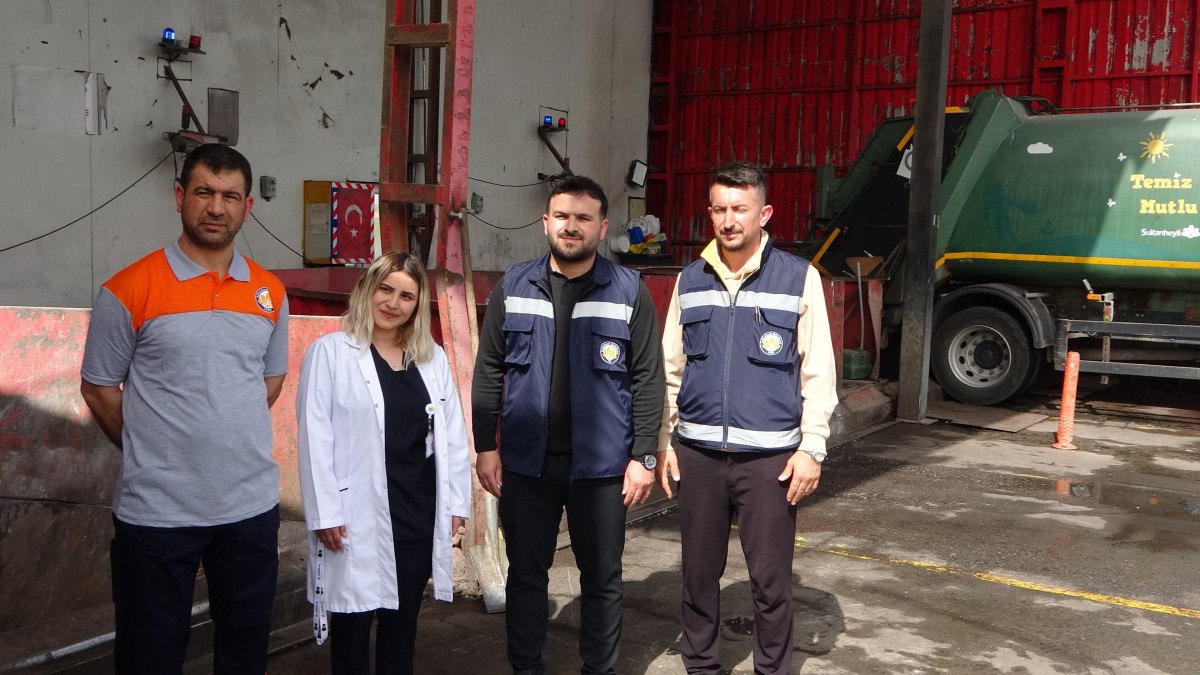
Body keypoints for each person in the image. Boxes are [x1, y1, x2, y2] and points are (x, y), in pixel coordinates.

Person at [79, 143, 288, 674]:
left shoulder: (269, 292)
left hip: (249, 509)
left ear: (247, 207)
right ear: (179, 197)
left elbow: (269, 380)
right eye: (203, 192)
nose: (216, 207)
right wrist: (152, 448)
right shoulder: (128, 289)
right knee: (149, 656)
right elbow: (99, 387)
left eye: (230, 196)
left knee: (245, 654)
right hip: (157, 512)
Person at [472, 175, 665, 675]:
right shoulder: (514, 285)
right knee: (526, 575)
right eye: (562, 216)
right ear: (546, 222)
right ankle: (526, 668)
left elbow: (648, 377)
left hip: (601, 468)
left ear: (602, 226)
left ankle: (597, 669)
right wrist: (485, 445)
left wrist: (644, 455)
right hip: (526, 463)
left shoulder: (628, 291)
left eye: (583, 218)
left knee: (601, 578)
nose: (571, 226)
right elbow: (489, 368)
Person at [657, 162, 839, 675]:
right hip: (698, 456)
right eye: (720, 209)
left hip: (770, 462)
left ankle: (772, 670)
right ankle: (701, 667)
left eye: (740, 208)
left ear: (765, 213)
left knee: (771, 583)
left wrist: (812, 448)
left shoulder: (798, 277)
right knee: (697, 577)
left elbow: (819, 371)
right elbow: (670, 368)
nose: (729, 219)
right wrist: (664, 440)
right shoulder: (690, 280)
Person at [295, 251, 472, 675]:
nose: (393, 303)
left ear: (418, 305)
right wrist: (325, 513)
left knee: (402, 626)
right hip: (354, 514)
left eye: (406, 296)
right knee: (352, 629)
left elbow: (452, 435)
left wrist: (455, 504)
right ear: (367, 290)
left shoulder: (431, 358)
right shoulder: (330, 353)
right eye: (385, 289)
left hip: (415, 512)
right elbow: (314, 438)